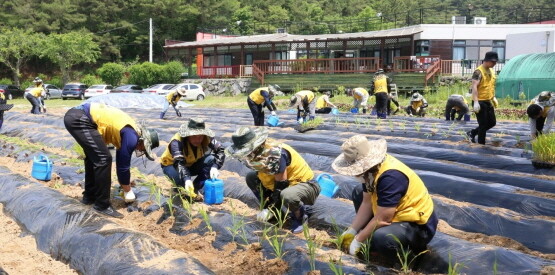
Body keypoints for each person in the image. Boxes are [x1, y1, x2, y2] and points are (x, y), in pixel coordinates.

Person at [332, 135, 437, 265]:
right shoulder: (370, 172)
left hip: (417, 226)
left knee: (382, 237)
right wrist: (352, 230)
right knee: (359, 192)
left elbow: (383, 218)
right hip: (393, 214)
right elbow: (366, 202)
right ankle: (372, 242)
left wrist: (359, 239)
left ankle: (407, 261)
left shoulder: (391, 177)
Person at [64, 102, 159, 218]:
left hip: (76, 115)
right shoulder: (132, 137)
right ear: (143, 141)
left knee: (93, 157)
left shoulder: (129, 132)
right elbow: (123, 168)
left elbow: (121, 164)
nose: (140, 150)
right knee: (104, 158)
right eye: (143, 148)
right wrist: (128, 191)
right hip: (80, 118)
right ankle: (102, 205)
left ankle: (89, 196)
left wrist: (125, 183)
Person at [225, 126, 320, 233]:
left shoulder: (275, 154)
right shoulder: (256, 154)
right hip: (278, 183)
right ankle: (275, 213)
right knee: (251, 178)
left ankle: (300, 217)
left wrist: (271, 208)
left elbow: (281, 185)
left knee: (287, 195)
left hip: (303, 184)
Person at [160, 118, 225, 199]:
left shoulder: (207, 138)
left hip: (191, 164)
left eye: (200, 137)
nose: (197, 140)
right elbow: (179, 163)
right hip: (172, 165)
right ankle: (180, 186)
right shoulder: (176, 142)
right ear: (188, 135)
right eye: (194, 136)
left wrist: (215, 166)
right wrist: (187, 179)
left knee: (211, 159)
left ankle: (196, 187)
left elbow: (220, 150)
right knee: (182, 185)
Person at [466, 51, 499, 144]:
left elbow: (490, 85)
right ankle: (481, 144)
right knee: (483, 124)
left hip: (488, 100)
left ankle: (472, 132)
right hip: (479, 101)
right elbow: (474, 87)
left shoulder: (491, 71)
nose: (494, 64)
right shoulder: (478, 72)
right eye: (493, 62)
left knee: (492, 122)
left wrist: (493, 97)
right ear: (487, 61)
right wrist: (476, 102)